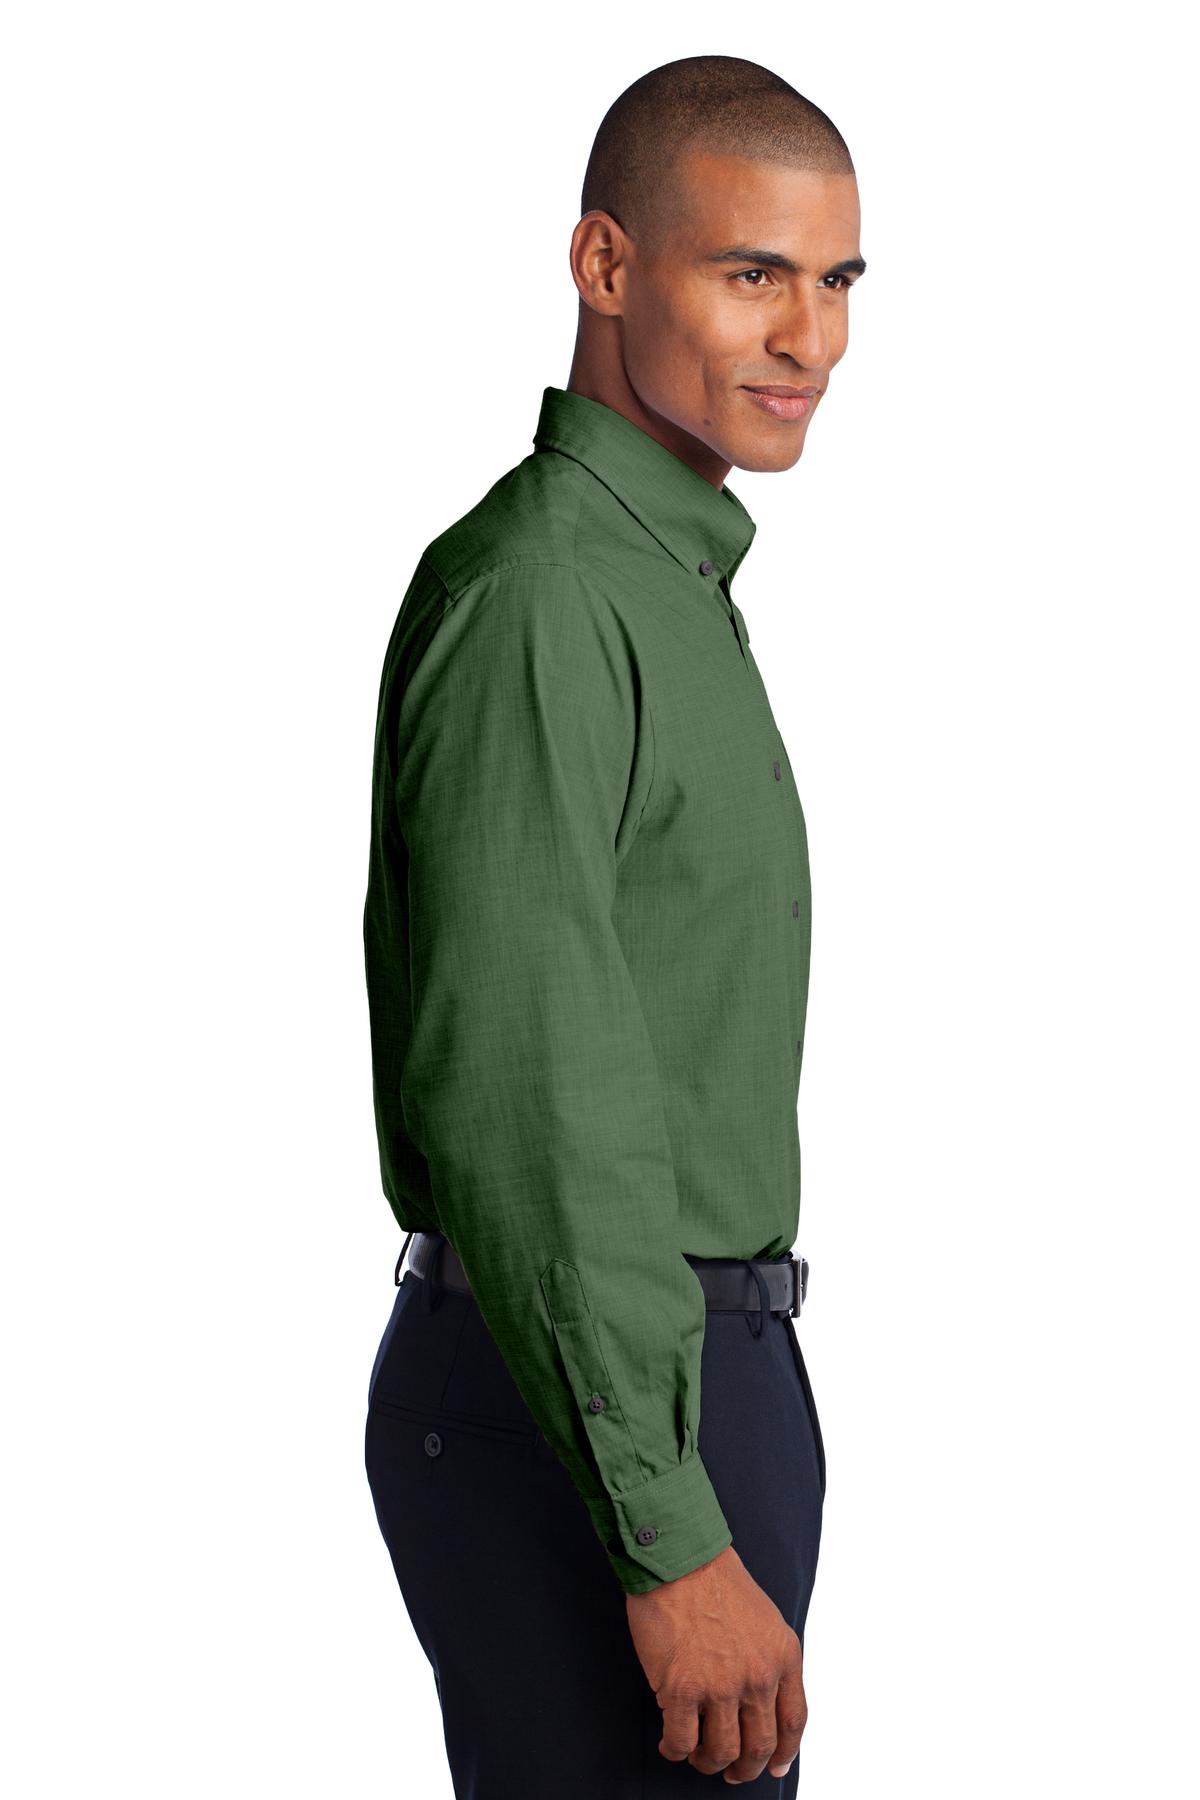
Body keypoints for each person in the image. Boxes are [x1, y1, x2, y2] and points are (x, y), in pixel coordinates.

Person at [362, 52, 864, 1797]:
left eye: (838, 279)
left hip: (682, 1374)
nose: (810, 336)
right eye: (753, 273)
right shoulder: (543, 596)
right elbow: (531, 1092)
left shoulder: (663, 581)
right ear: (605, 265)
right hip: (592, 1401)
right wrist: (666, 1527)